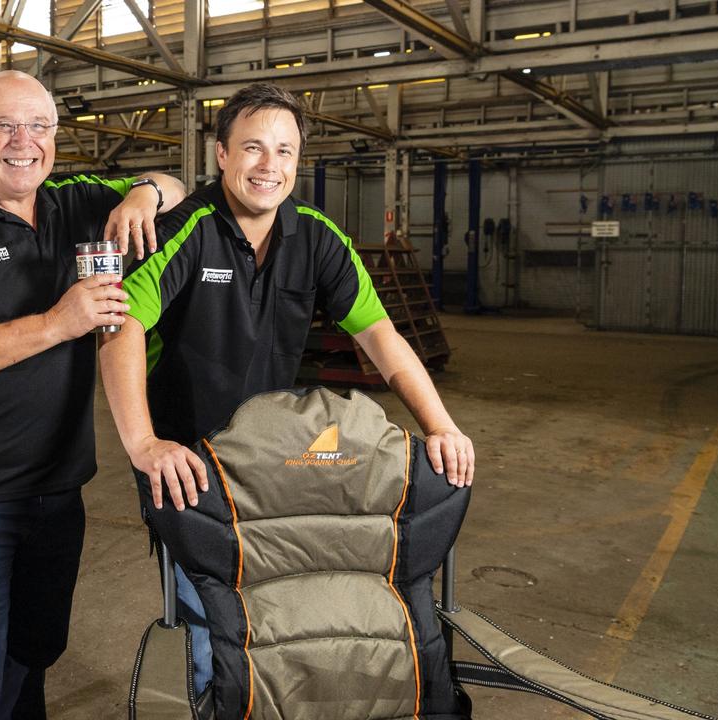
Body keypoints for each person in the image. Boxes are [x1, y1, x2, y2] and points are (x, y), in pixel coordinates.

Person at [98, 82, 474, 694]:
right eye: (252, 148)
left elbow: (381, 336)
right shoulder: (185, 229)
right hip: (194, 478)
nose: (269, 166)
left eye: (285, 151)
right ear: (221, 154)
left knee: (279, 626)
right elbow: (121, 330)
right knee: (212, 634)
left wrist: (442, 426)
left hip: (278, 468)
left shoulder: (318, 237)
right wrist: (143, 444)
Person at [0, 70, 185, 719]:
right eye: (3, 125)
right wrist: (60, 322)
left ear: (54, 137)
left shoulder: (74, 201)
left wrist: (142, 193)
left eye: (39, 125)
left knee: (34, 654)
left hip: (57, 490)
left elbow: (174, 185)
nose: (23, 140)